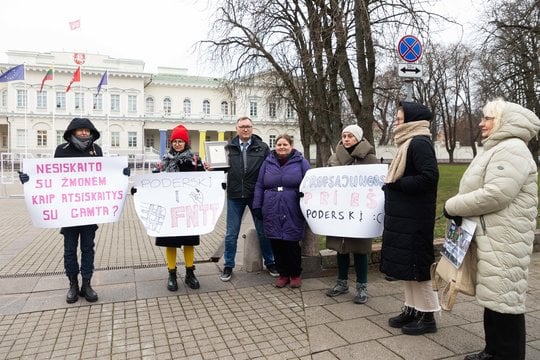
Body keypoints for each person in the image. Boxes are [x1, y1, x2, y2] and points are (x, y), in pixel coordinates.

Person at [444, 99, 540, 360]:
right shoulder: (499, 148)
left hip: (505, 237)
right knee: (495, 296)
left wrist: (452, 206)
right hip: (494, 235)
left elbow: (496, 194)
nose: (481, 123)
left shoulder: (513, 149)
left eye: (488, 118)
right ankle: (493, 350)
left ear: (504, 122)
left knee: (506, 299)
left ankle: (507, 354)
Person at [19, 117, 130, 304]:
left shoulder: (97, 150)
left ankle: (87, 284)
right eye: (80, 130)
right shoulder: (61, 151)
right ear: (72, 132)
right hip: (68, 212)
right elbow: (51, 177)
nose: (85, 133)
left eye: (87, 130)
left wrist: (121, 174)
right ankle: (72, 284)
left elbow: (103, 176)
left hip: (88, 211)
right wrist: (29, 179)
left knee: (88, 248)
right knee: (69, 250)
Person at [380, 101, 441, 335]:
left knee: (419, 266)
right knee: (408, 267)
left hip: (415, 217)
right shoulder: (409, 142)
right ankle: (412, 308)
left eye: (399, 118)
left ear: (412, 120)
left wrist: (398, 184)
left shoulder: (419, 143)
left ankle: (428, 316)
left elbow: (429, 177)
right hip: (406, 216)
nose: (396, 122)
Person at [324, 125, 378, 303]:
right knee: (341, 247)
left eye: (350, 136)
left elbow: (376, 183)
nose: (346, 139)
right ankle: (342, 283)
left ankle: (362, 287)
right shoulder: (334, 158)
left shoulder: (370, 159)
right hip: (340, 209)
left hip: (360, 211)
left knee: (360, 249)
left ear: (358, 138)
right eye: (344, 136)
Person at [219, 116, 278, 281]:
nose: (245, 129)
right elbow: (220, 169)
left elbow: (271, 169)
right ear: (236, 129)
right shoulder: (228, 148)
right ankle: (228, 265)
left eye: (248, 126)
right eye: (242, 126)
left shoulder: (263, 147)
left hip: (256, 195)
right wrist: (212, 168)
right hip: (234, 195)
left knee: (263, 231)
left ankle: (270, 261)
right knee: (231, 233)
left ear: (252, 128)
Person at [253, 134, 310, 288]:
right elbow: (259, 184)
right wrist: (257, 205)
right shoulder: (268, 162)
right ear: (275, 146)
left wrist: (305, 197)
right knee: (276, 242)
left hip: (293, 206)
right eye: (279, 144)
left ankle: (295, 274)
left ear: (291, 146)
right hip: (271, 207)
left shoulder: (301, 162)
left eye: (285, 144)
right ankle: (283, 274)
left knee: (291, 242)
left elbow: (310, 182)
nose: (282, 147)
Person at [155, 125, 205, 291]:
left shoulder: (195, 161)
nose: (177, 144)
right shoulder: (163, 162)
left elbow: (206, 182)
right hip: (169, 209)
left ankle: (190, 273)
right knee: (170, 242)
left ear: (186, 143)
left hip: (188, 208)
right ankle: (171, 274)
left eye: (180, 141)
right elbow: (152, 184)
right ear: (171, 143)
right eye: (174, 141)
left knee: (189, 242)